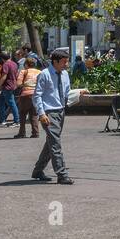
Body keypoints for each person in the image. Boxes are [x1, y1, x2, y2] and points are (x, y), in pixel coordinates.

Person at [31, 49, 81, 185]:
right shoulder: (44, 74)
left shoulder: (65, 74)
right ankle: (62, 174)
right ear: (55, 61)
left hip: (60, 111)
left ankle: (38, 170)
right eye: (64, 62)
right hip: (48, 113)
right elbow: (37, 96)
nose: (66, 64)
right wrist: (41, 113)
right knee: (55, 144)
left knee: (51, 143)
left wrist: (78, 94)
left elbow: (66, 93)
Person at [16, 55, 42, 138]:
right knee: (34, 115)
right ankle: (35, 132)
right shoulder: (39, 72)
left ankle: (22, 133)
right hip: (36, 95)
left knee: (22, 114)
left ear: (26, 64)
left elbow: (18, 84)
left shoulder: (24, 72)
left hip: (26, 95)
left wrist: (25, 84)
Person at [0, 51, 21, 127]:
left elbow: (4, 76)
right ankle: (2, 119)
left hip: (7, 86)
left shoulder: (5, 64)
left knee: (12, 103)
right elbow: (16, 74)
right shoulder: (14, 64)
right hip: (12, 85)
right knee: (1, 100)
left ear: (2, 59)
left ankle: (17, 121)